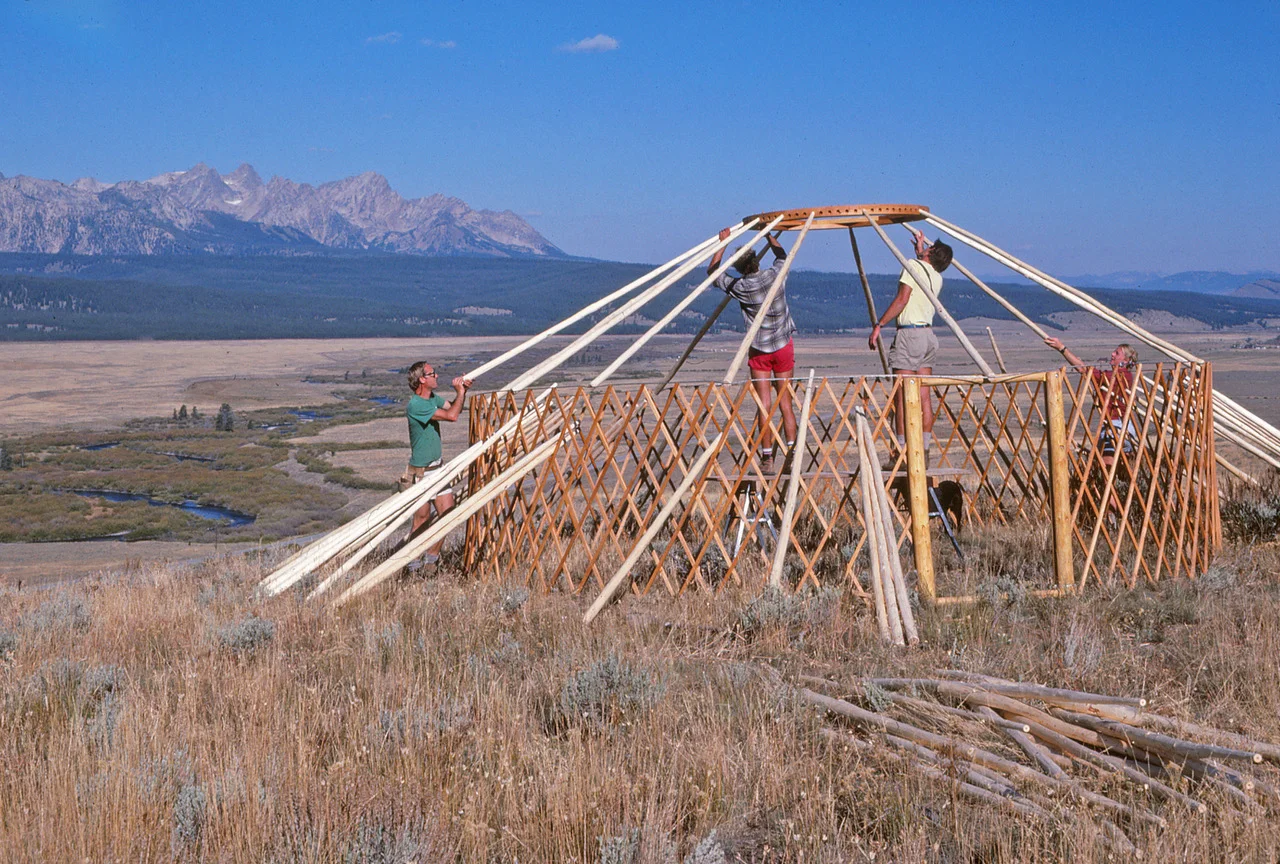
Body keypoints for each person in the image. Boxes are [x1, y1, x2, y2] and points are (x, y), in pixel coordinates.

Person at [707, 227, 797, 474]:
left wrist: (724, 243)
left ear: (739, 268)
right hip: (783, 347)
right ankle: (792, 451)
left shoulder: (741, 287)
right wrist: (769, 233)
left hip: (759, 351)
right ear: (757, 262)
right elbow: (782, 256)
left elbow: (713, 273)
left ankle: (767, 458)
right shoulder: (773, 276)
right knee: (785, 402)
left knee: (764, 404)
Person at [868, 227, 953, 453]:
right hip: (928, 336)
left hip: (909, 335)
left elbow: (902, 299)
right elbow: (923, 266)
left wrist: (880, 325)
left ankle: (900, 450)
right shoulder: (937, 276)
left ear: (931, 252)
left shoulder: (912, 266)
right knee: (923, 395)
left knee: (902, 395)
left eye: (929, 247)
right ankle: (922, 449)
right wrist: (920, 248)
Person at [402, 361, 472, 567]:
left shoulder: (432, 398)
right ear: (422, 379)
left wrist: (463, 391)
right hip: (421, 472)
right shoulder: (416, 405)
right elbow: (452, 416)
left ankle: (430, 561)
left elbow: (452, 406)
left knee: (447, 516)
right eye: (433, 373)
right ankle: (412, 565)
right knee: (421, 521)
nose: (437, 376)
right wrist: (460, 392)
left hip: (437, 468)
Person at [1043, 337, 1139, 462]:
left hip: (1115, 426)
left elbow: (1083, 369)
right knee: (1120, 467)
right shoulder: (1126, 375)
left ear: (1126, 360)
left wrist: (1062, 348)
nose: (1112, 354)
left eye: (1117, 353)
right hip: (1125, 425)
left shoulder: (1112, 376)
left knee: (1107, 467)